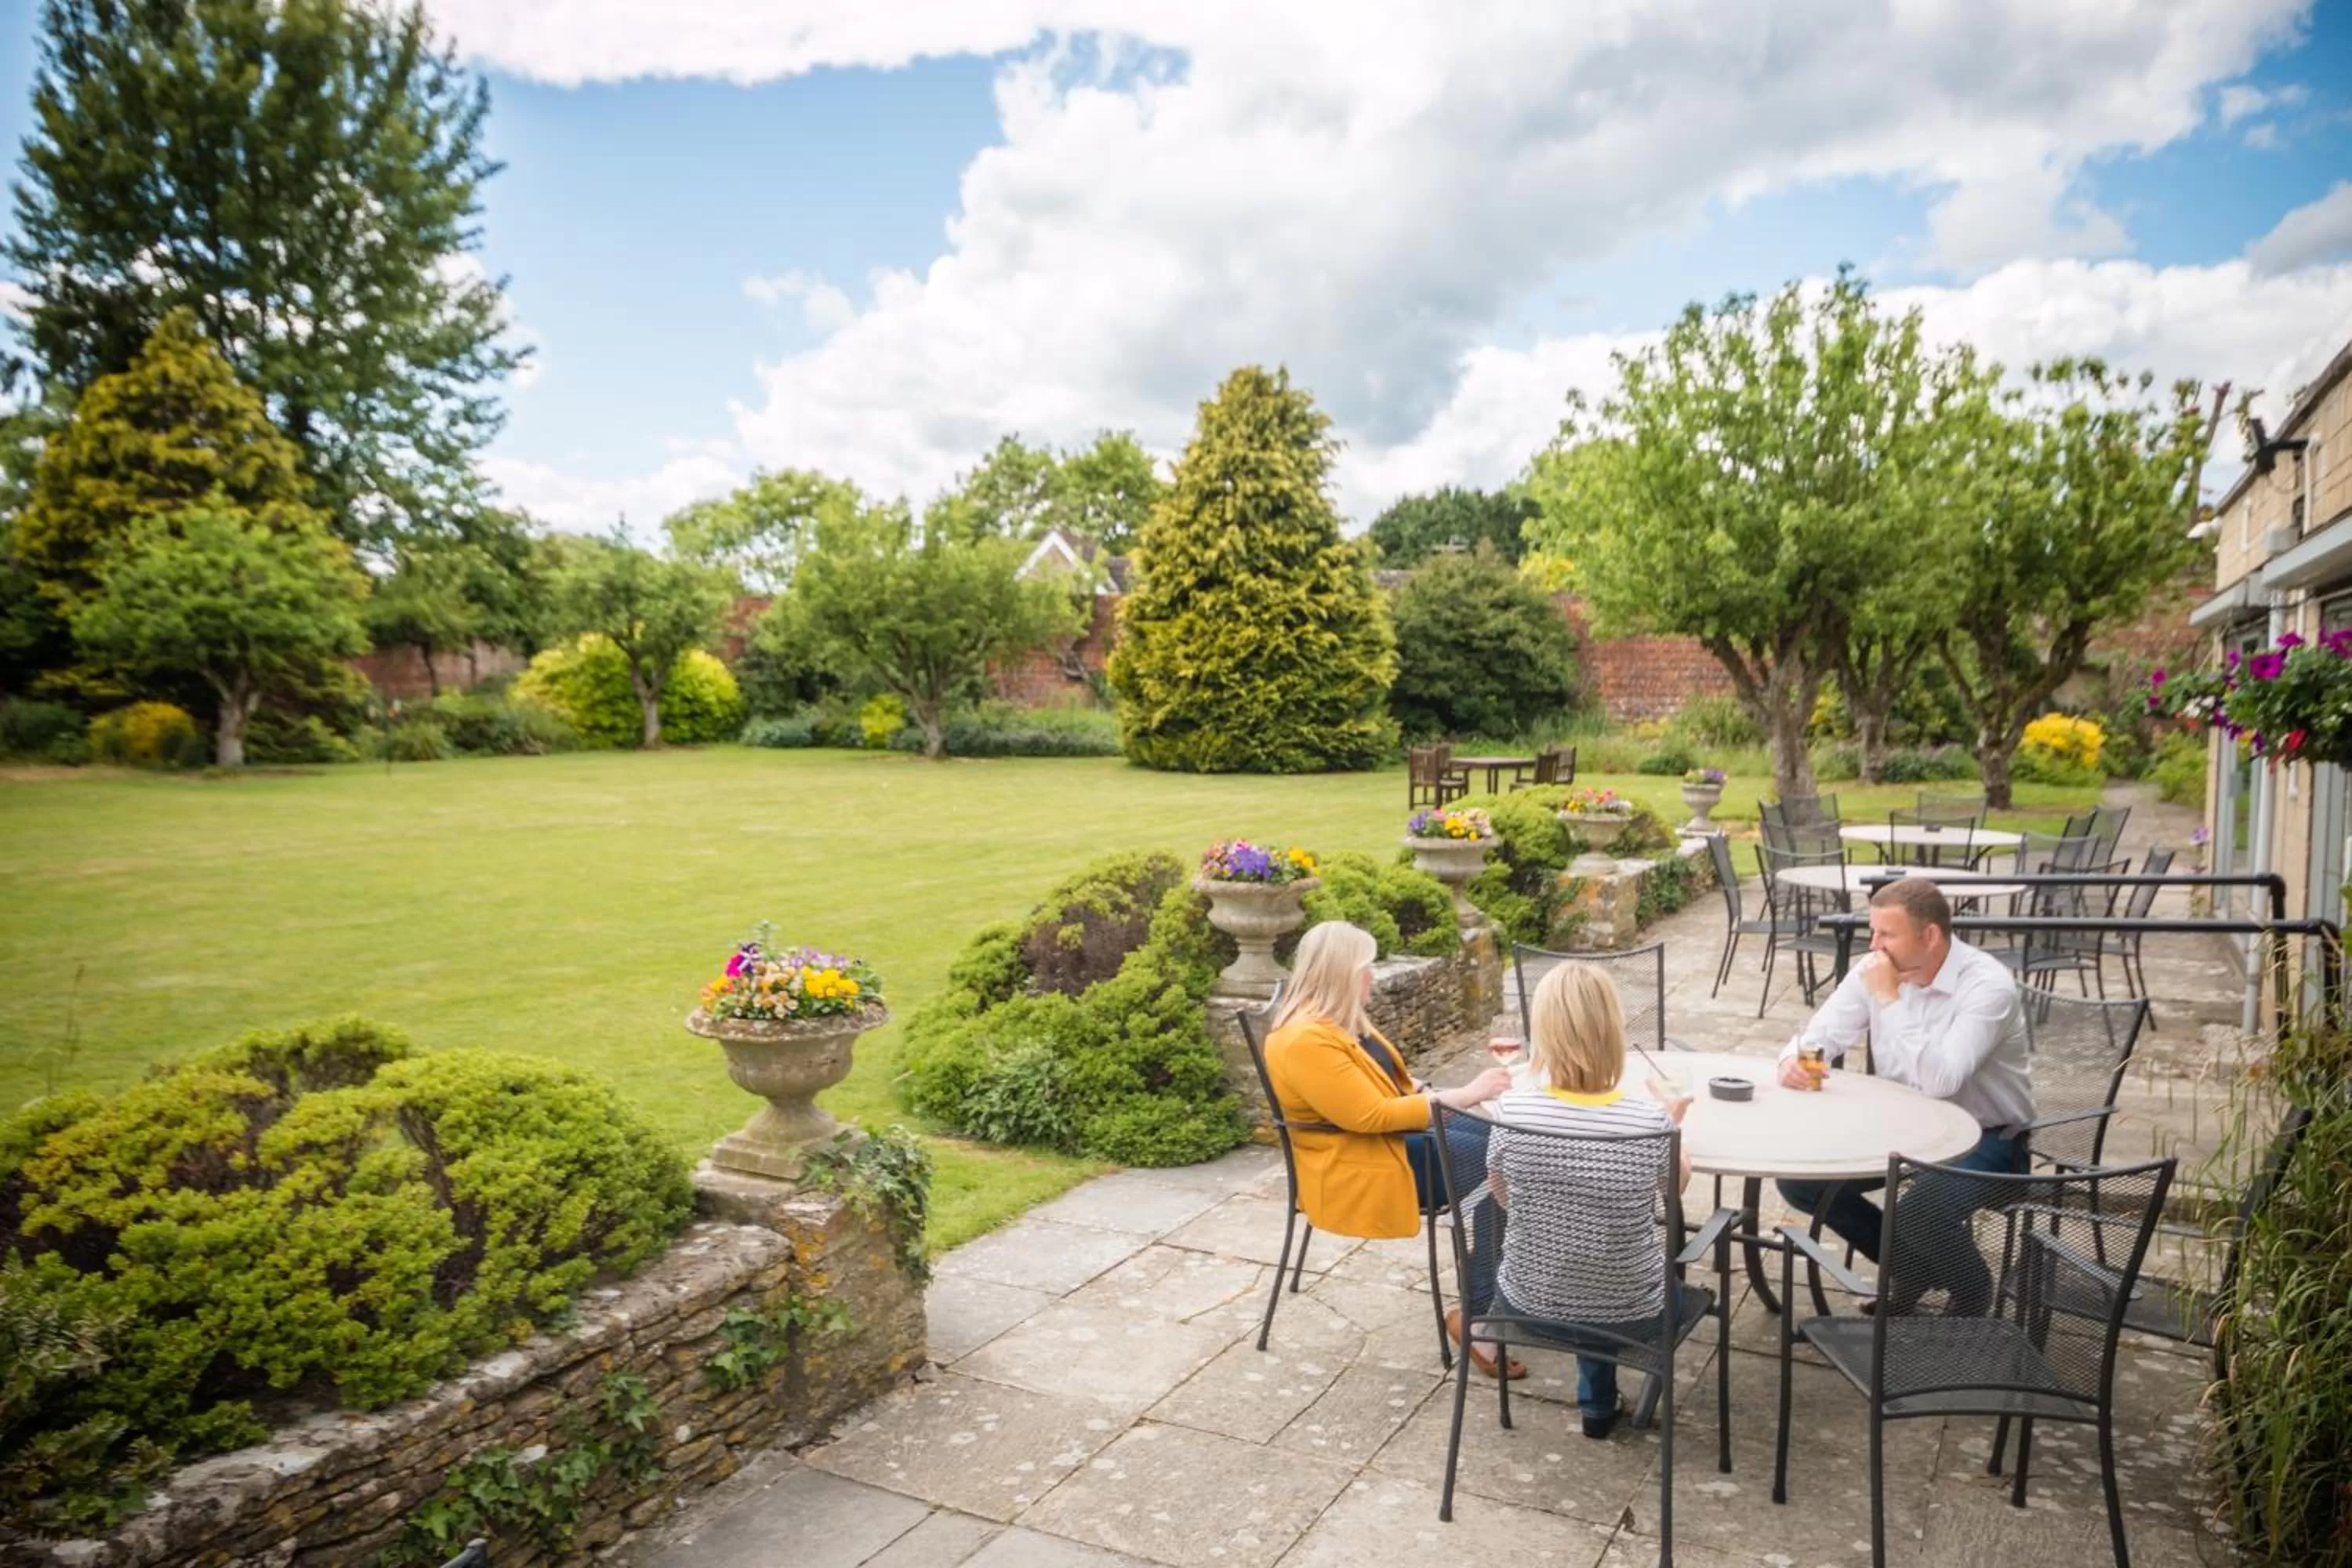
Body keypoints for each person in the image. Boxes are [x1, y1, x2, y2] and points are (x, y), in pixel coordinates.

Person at [1262, 921, 1520, 1377]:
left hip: (1394, 1141)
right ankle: (1480, 1319)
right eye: (1366, 969)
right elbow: (1371, 1116)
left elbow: (1390, 1084)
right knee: (1501, 1169)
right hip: (1364, 1159)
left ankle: (1507, 1285)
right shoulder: (1305, 1040)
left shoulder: (1339, 1023)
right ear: (1341, 973)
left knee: (1509, 1144)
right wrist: (1464, 1094)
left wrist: (1440, 1092)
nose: (1372, 978)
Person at [1775, 876, 2033, 1314]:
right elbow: (1820, 1035)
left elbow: (1942, 1082)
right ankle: (1915, 1267)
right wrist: (1793, 1060)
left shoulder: (1988, 988)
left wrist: (1889, 999)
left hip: (1989, 1138)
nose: (1874, 945)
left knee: (1919, 1212)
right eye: (1872, 932)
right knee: (1800, 1180)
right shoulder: (1878, 970)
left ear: (1929, 935)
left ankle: (1972, 1292)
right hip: (1901, 1127)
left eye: (1886, 934)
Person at [1486, 960, 1710, 1439]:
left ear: (1541, 1032)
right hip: (1630, 1313)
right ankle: (1598, 1404)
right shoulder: (1646, 1122)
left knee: (1580, 1254)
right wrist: (1673, 1124)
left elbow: (1502, 1197)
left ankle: (1598, 1403)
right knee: (1612, 1265)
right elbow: (1676, 1190)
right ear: (1613, 1031)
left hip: (1524, 1301)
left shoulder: (1510, 1110)